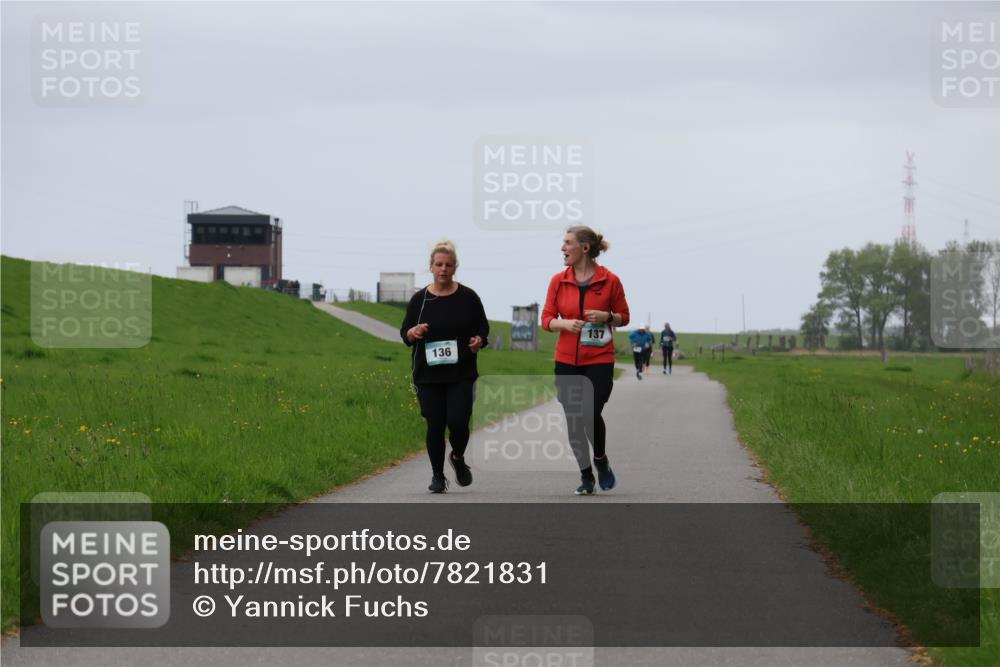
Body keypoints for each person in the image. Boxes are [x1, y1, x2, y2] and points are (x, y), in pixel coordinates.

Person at [541, 226, 630, 495]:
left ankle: (600, 460)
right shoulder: (558, 280)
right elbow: (545, 319)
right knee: (573, 418)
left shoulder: (610, 280)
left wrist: (606, 317)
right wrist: (565, 324)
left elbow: (624, 317)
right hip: (567, 359)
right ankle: (585, 476)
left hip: (599, 358)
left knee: (589, 411)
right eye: (563, 243)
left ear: (585, 248)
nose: (563, 248)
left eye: (568, 243)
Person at [401, 241, 489, 493]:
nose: (443, 269)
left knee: (459, 421)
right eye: (439, 264)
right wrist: (413, 332)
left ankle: (458, 458)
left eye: (448, 265)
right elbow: (404, 333)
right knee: (435, 424)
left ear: (455, 268)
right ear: (431, 267)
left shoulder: (468, 297)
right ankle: (437, 476)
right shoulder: (420, 300)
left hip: (461, 372)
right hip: (428, 374)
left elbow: (482, 327)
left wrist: (478, 340)